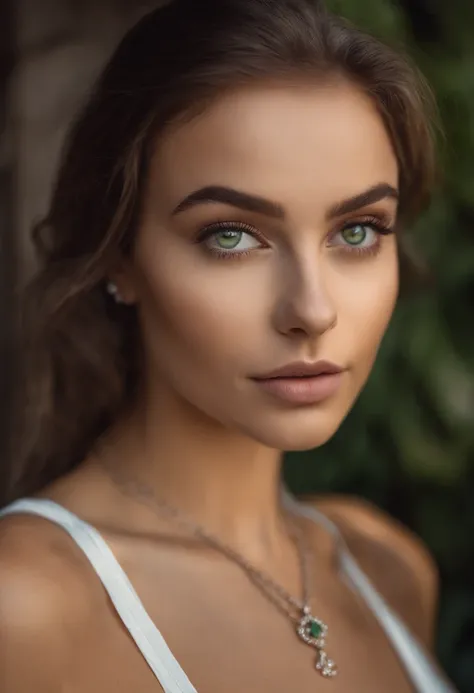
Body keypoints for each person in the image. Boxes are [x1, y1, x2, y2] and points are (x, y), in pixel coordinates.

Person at [0, 0, 456, 690]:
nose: (313, 309)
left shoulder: (387, 568)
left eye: (357, 230)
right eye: (232, 235)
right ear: (120, 255)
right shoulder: (27, 607)